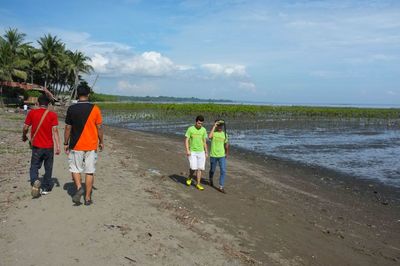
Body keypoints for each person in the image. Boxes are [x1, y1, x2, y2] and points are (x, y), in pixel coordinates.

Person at [64, 85, 104, 206]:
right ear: (88, 94)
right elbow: (100, 128)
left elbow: (67, 128)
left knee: (75, 169)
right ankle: (87, 198)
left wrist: (65, 142)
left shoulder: (71, 109)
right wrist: (101, 141)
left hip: (76, 145)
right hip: (91, 145)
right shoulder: (95, 109)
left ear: (77, 94)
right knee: (89, 171)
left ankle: (78, 187)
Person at [22, 94, 60, 198]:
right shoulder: (53, 115)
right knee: (48, 167)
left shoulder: (32, 113)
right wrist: (58, 146)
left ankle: (35, 181)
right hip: (49, 146)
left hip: (37, 146)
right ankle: (46, 188)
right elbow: (55, 131)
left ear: (38, 103)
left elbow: (25, 127)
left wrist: (24, 136)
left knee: (34, 165)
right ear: (48, 105)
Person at [185, 115, 208, 190]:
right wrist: (187, 150)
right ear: (196, 121)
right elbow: (186, 140)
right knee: (193, 167)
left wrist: (206, 152)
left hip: (201, 152)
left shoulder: (203, 130)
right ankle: (189, 177)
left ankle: (198, 184)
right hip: (192, 151)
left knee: (200, 169)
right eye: (198, 123)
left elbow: (204, 141)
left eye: (201, 123)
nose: (199, 125)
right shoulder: (190, 129)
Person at [208, 119, 229, 193]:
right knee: (212, 170)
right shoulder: (213, 133)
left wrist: (226, 153)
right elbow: (209, 137)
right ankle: (210, 178)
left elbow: (226, 145)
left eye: (221, 125)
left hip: (222, 156)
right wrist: (214, 126)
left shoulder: (225, 134)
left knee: (223, 170)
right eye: (218, 125)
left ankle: (221, 186)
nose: (220, 127)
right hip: (213, 155)